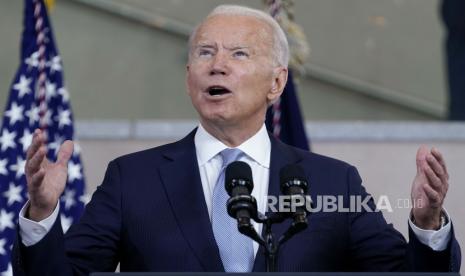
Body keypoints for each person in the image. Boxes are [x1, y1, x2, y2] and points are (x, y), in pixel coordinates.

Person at [13, 4, 461, 275]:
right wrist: (41, 212)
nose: (217, 65)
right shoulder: (133, 179)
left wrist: (426, 223)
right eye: (205, 53)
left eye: (239, 54)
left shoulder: (333, 184)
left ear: (276, 82)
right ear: (189, 77)